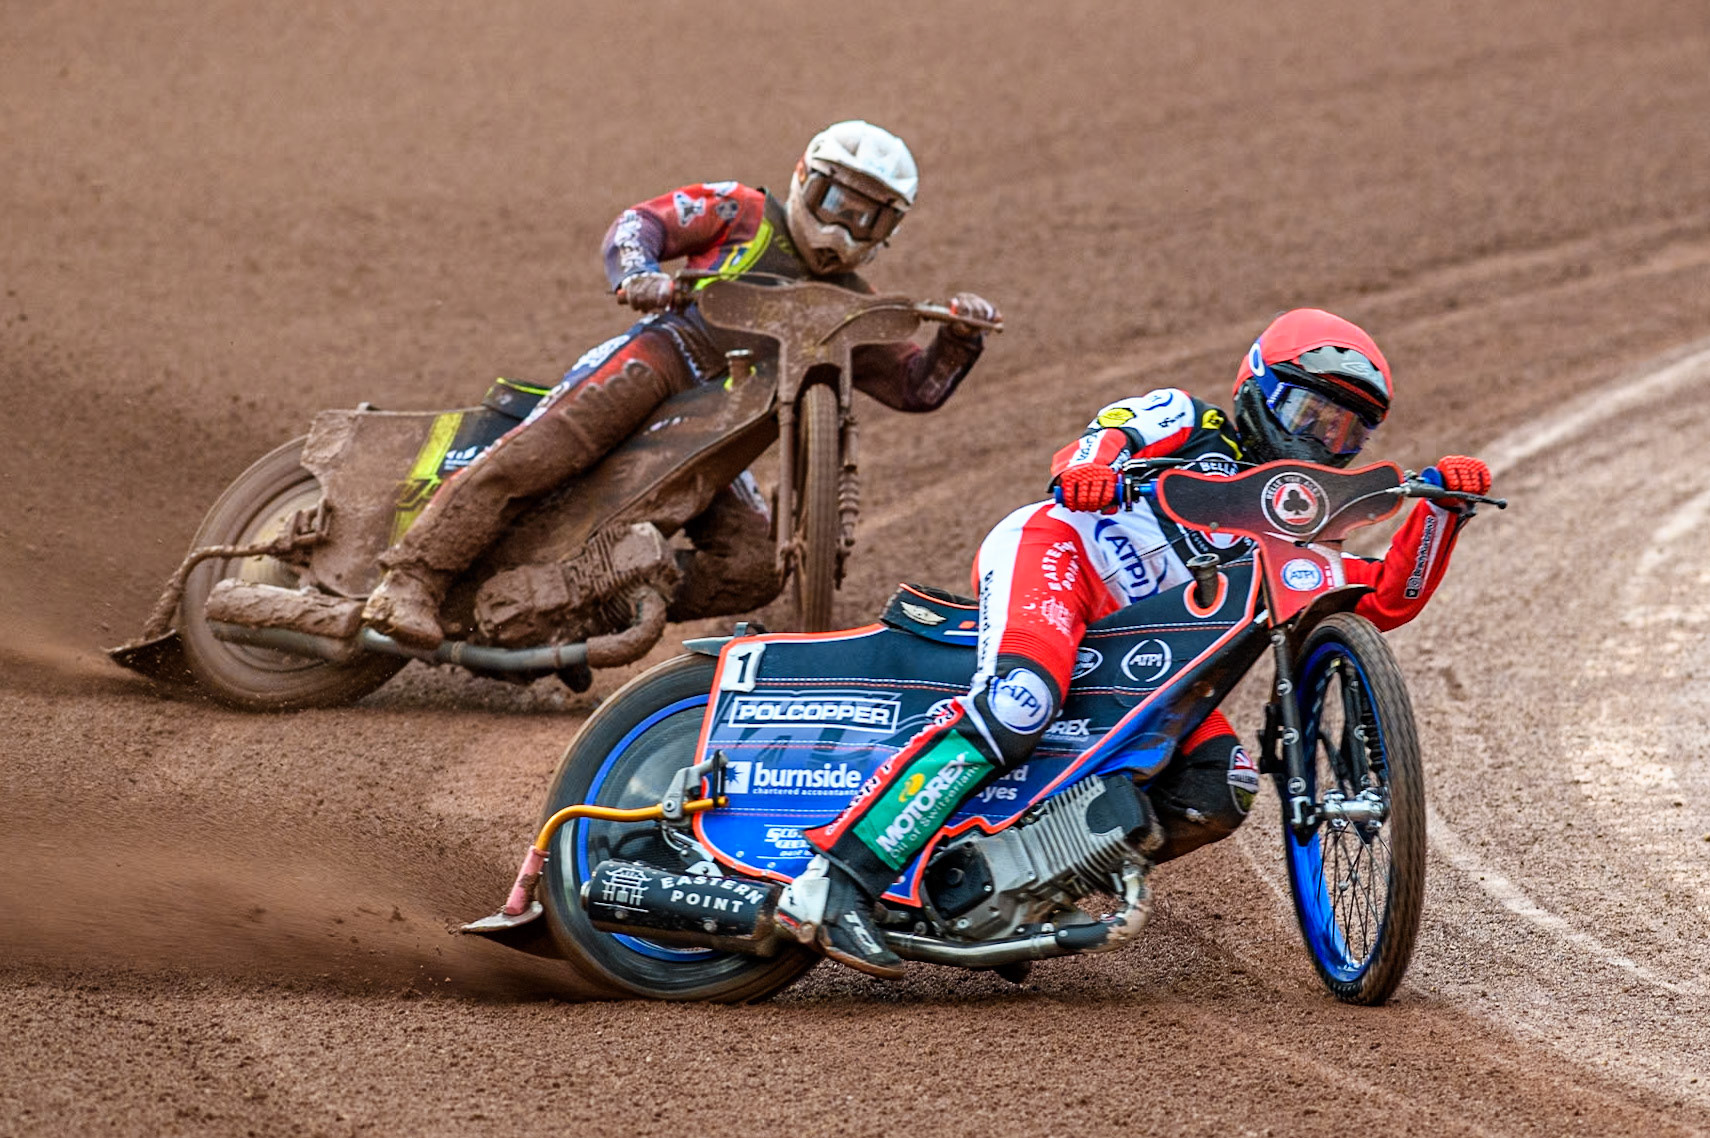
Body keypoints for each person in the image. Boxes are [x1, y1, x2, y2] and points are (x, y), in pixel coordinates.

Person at [777, 307, 1494, 977]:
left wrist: (1441, 514)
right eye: (1309, 413)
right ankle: (832, 881)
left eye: (1345, 433)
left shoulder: (1303, 524)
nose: (1320, 440)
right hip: (1064, 554)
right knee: (1021, 701)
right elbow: (1111, 433)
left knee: (1222, 785)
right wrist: (1090, 469)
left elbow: (1383, 600)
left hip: (1147, 650)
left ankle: (1013, 892)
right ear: (1257, 385)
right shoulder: (1190, 417)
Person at [362, 120, 1000, 649]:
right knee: (545, 450)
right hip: (668, 357)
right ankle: (411, 579)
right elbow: (642, 222)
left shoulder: (854, 309)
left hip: (731, 428)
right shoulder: (743, 211)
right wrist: (638, 273)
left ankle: (584, 609)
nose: (845, 229)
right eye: (840, 204)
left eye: (870, 220)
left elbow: (918, 387)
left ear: (889, 233)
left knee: (753, 566)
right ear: (807, 180)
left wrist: (960, 335)